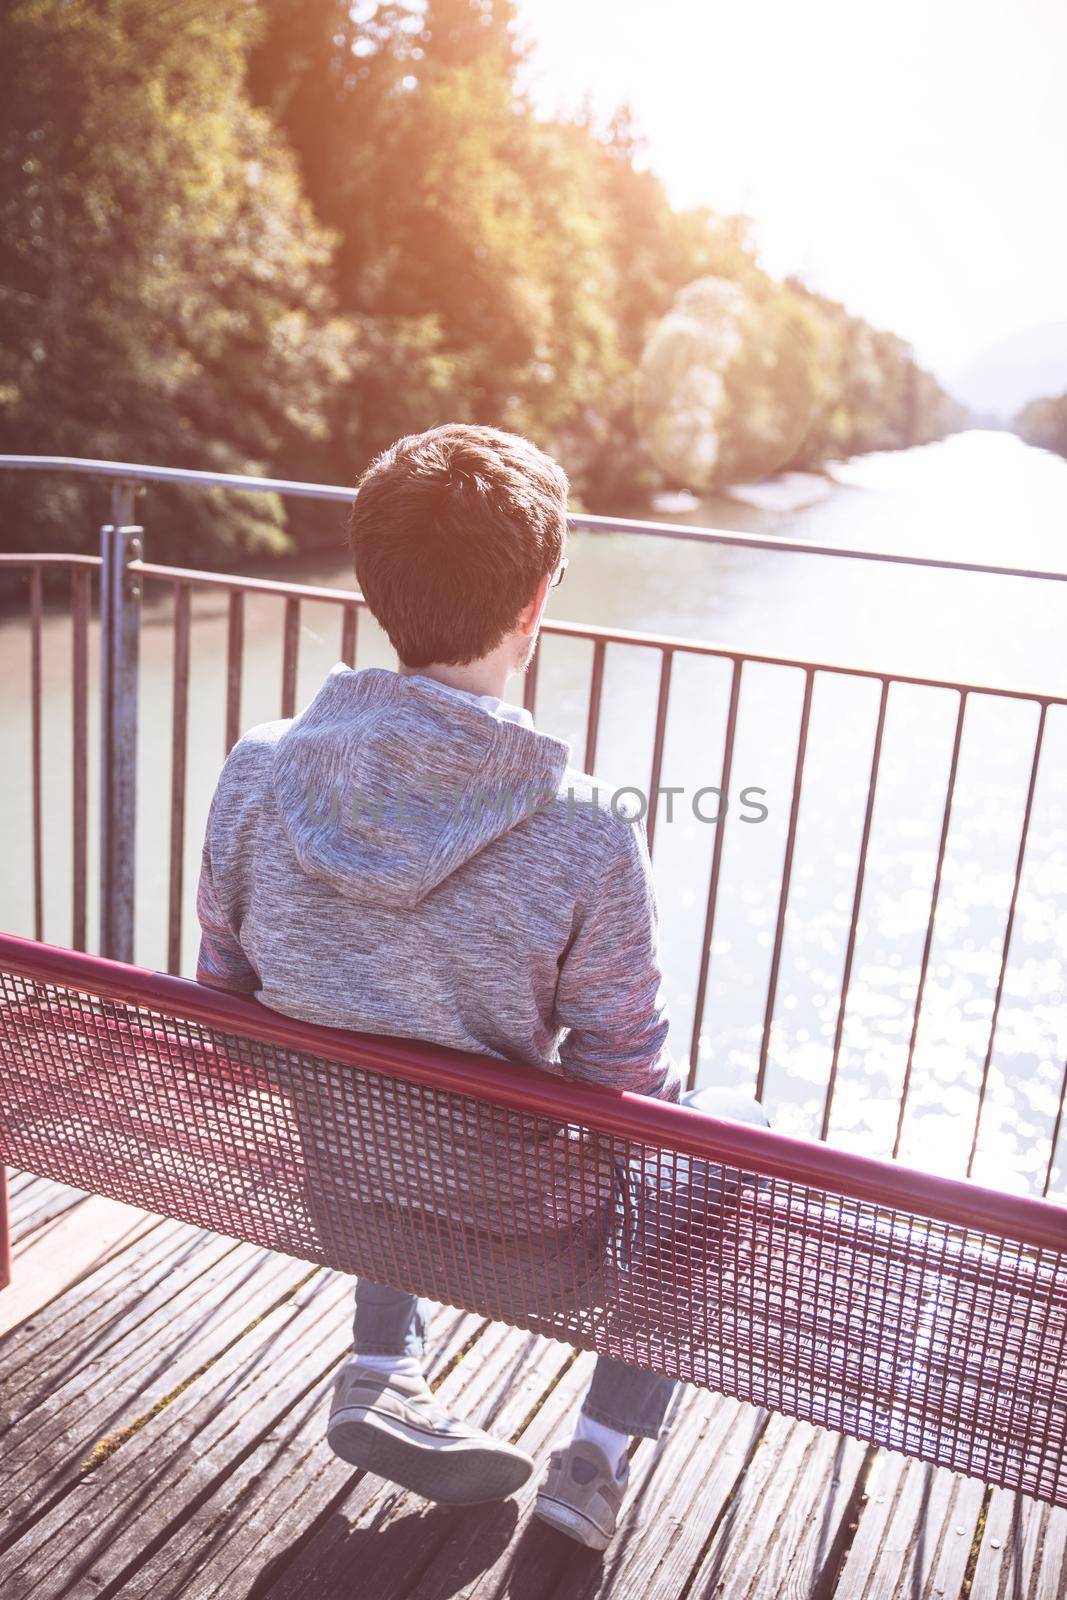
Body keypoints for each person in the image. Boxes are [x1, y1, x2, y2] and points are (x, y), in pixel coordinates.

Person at [195, 423, 695, 1550]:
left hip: (345, 1194)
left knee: (375, 1041)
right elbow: (630, 1095)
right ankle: (595, 1462)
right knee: (731, 1134)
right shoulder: (585, 832)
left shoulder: (258, 767)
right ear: (533, 604)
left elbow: (230, 1007)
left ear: (376, 585)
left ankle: (382, 1361)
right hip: (529, 1245)